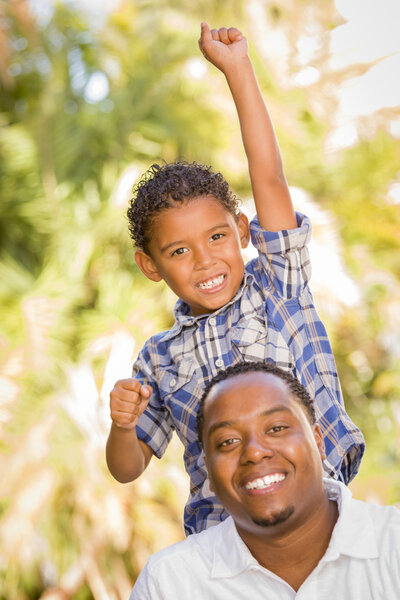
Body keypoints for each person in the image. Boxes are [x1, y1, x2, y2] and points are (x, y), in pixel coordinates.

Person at [106, 23, 364, 536]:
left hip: (319, 518)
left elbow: (269, 177)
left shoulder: (279, 288)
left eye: (217, 238)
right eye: (179, 251)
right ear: (151, 266)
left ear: (243, 230)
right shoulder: (158, 357)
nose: (205, 261)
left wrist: (238, 69)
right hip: (222, 541)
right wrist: (122, 424)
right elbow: (126, 467)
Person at [129, 362, 400, 599]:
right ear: (208, 472)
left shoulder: (392, 543)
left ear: (318, 441)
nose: (255, 452)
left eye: (277, 428)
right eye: (228, 441)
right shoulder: (168, 584)